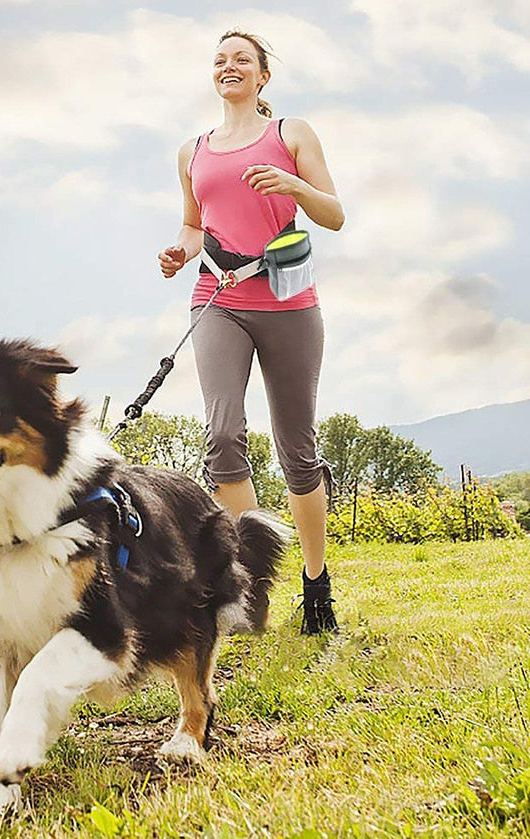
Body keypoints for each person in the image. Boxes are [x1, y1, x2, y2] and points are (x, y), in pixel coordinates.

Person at [158, 30, 345, 635]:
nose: (228, 66)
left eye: (242, 59)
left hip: (287, 300)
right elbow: (194, 224)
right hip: (217, 296)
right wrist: (180, 251)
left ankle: (316, 589)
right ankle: (249, 583)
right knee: (223, 435)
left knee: (298, 448)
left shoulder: (291, 133)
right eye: (220, 60)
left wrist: (292, 185)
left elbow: (334, 213)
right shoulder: (192, 151)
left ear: (263, 76)